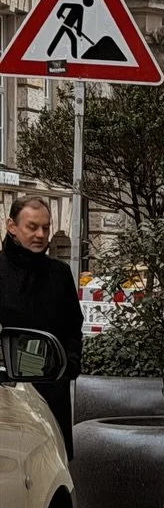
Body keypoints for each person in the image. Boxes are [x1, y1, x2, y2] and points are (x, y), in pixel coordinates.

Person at [0, 193, 84, 458]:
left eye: (45, 228)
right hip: (6, 396)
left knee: (52, 472)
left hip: (51, 392)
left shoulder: (59, 274)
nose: (40, 235)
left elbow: (73, 326)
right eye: (32, 226)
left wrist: (69, 365)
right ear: (11, 226)